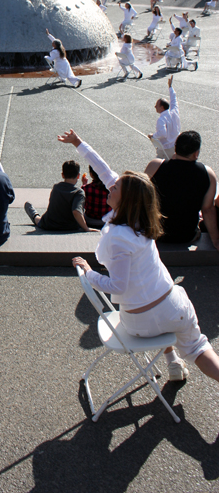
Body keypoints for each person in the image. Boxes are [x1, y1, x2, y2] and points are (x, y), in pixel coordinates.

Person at [67, 128, 219, 384]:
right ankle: (175, 362)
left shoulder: (117, 237)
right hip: (173, 309)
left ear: (125, 199)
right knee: (198, 348)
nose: (110, 186)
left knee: (149, 304)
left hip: (139, 324)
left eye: (115, 187)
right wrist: (79, 143)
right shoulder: (141, 219)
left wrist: (89, 273)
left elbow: (118, 285)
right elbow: (104, 170)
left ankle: (172, 362)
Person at [145, 130, 218, 246]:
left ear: (175, 148)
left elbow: (140, 197)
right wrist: (215, 240)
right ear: (196, 153)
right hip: (187, 235)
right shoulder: (208, 174)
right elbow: (207, 209)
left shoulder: (154, 166)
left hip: (156, 232)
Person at [24, 159, 95, 232]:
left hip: (49, 224)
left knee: (39, 220)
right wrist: (86, 228)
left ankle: (34, 214)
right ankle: (35, 215)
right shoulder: (79, 193)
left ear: (62, 175)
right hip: (70, 226)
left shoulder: (56, 188)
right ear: (78, 176)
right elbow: (76, 211)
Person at [148, 77, 181, 158]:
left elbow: (163, 133)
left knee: (159, 166)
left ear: (162, 107)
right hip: (176, 146)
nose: (155, 106)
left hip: (166, 149)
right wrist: (170, 87)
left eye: (157, 105)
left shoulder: (161, 119)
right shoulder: (174, 111)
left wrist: (153, 136)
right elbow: (174, 99)